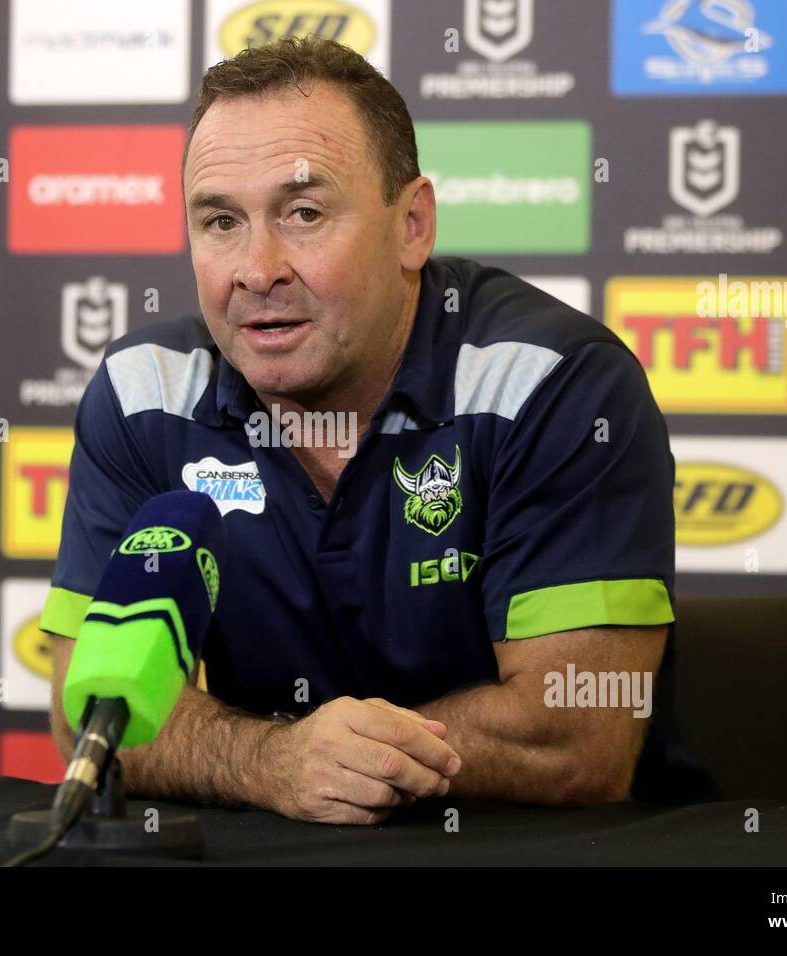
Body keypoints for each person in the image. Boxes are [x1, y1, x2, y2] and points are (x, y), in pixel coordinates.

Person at [41, 36, 715, 825]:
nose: (256, 269)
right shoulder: (143, 395)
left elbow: (576, 739)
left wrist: (340, 762)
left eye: (304, 213)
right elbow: (92, 719)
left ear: (412, 226)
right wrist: (271, 761)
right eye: (221, 221)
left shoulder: (555, 384)